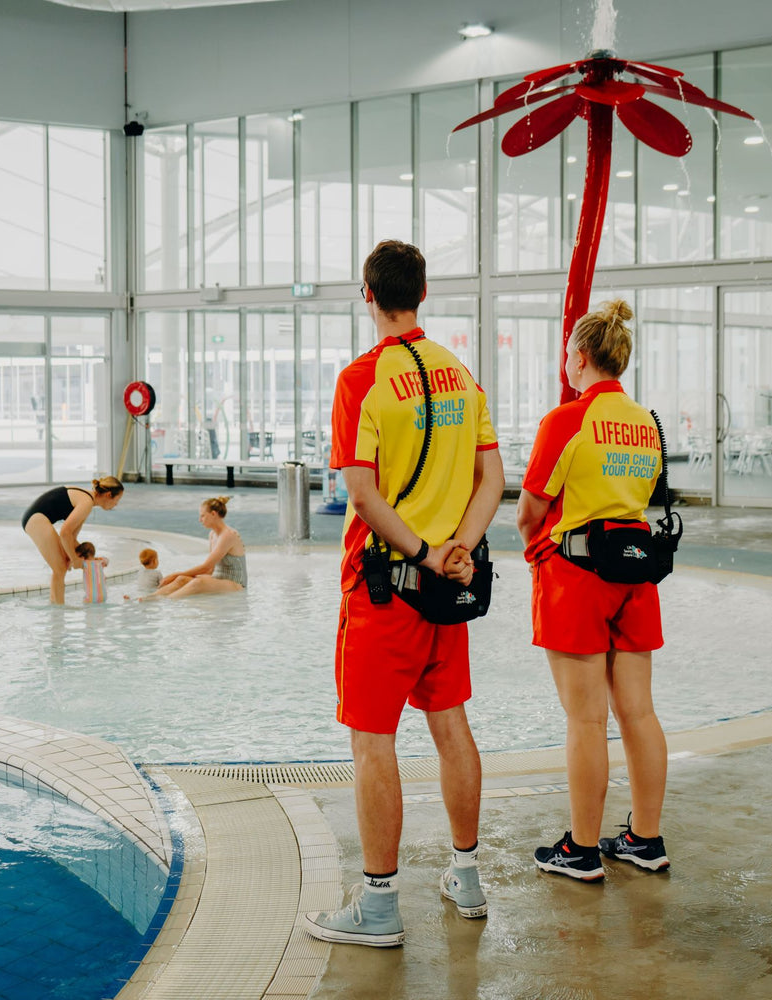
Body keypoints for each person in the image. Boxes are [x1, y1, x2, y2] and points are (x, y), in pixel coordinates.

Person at [303, 240, 505, 947]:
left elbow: (361, 494)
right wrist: (458, 552)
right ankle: (466, 876)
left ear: (368, 295)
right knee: (451, 726)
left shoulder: (361, 379)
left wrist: (421, 553)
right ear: (422, 293)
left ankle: (381, 904)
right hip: (448, 590)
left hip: (386, 588)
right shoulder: (460, 374)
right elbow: (492, 479)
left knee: (373, 742)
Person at [516, 299, 671, 883]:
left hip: (577, 576)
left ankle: (581, 850)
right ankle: (645, 839)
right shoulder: (646, 423)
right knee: (639, 712)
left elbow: (530, 513)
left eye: (567, 354)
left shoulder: (567, 421)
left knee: (585, 721)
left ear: (580, 357)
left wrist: (537, 555)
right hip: (635, 572)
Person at [21, 476, 124, 605]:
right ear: (109, 495)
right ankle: (59, 609)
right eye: (117, 500)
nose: (116, 504)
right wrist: (74, 559)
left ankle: (55, 604)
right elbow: (65, 533)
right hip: (36, 518)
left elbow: (72, 538)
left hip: (36, 517)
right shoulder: (86, 502)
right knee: (60, 568)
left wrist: (90, 559)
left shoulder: (88, 501)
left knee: (61, 565)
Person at [142, 496, 247, 599]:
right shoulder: (212, 535)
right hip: (219, 579)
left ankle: (165, 602)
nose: (200, 520)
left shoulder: (228, 535)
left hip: (236, 583)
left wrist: (175, 574)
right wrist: (179, 576)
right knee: (181, 579)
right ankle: (150, 597)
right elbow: (210, 570)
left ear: (213, 514)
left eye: (203, 516)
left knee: (197, 582)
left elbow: (206, 567)